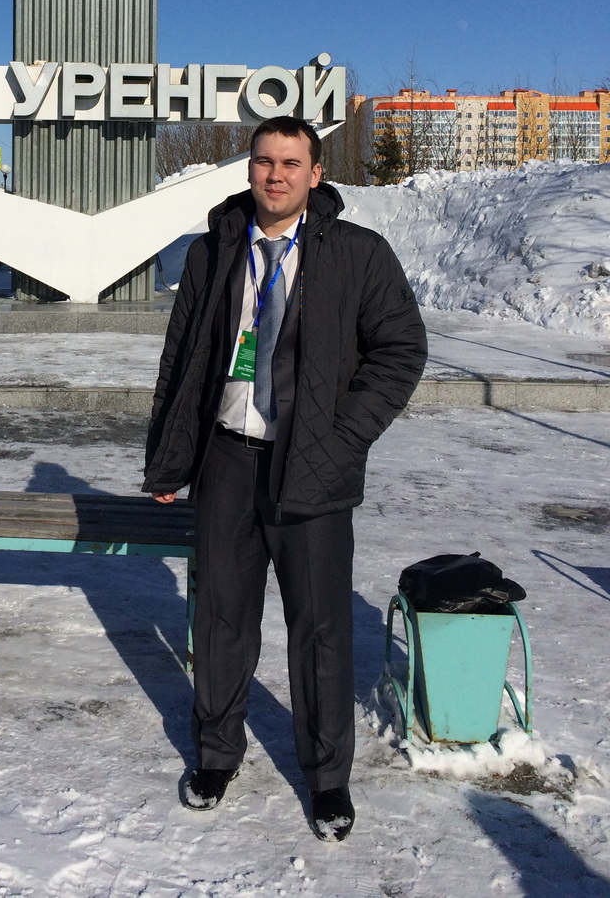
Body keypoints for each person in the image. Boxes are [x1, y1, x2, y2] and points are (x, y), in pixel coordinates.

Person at [143, 116, 426, 840]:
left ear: (316, 172)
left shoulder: (358, 254)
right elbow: (181, 361)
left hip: (312, 468)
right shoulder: (212, 253)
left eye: (291, 162)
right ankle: (215, 754)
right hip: (229, 460)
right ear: (249, 170)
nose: (275, 174)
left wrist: (343, 434)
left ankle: (328, 778)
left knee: (321, 630)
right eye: (264, 160)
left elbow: (400, 349)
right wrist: (169, 459)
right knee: (222, 619)